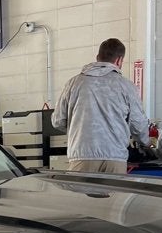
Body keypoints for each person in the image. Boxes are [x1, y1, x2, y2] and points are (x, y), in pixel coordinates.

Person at [53, 38, 149, 174]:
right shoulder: (127, 86)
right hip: (115, 157)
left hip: (82, 156)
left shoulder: (73, 83)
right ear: (119, 60)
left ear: (97, 57)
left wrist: (78, 129)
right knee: (116, 189)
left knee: (79, 189)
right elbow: (138, 125)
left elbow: (57, 121)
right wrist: (146, 143)